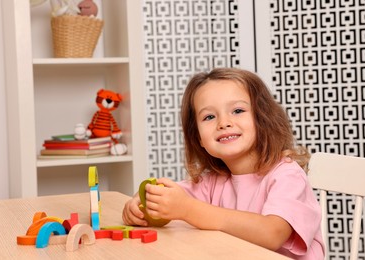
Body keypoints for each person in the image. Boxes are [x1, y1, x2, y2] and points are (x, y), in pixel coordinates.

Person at [122, 68, 324, 259]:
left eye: (237, 110)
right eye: (209, 116)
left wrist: (188, 210)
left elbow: (272, 233)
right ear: (198, 137)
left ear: (263, 119)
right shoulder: (212, 182)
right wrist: (141, 205)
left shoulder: (287, 175)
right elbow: (169, 196)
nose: (223, 122)